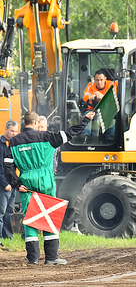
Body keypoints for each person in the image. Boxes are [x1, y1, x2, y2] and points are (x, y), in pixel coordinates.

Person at [9, 110, 94, 265]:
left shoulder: (14, 141)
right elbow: (71, 133)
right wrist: (86, 119)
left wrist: (17, 184)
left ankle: (33, 258)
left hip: (26, 182)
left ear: (24, 123)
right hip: (45, 180)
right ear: (36, 123)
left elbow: (7, 165)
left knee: (30, 220)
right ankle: (52, 257)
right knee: (48, 216)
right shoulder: (47, 136)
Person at [81, 70, 117, 142]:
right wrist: (91, 97)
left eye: (101, 80)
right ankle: (85, 136)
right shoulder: (90, 85)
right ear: (94, 79)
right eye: (97, 80)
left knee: (112, 118)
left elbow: (113, 97)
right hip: (92, 109)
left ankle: (110, 138)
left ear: (105, 79)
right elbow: (85, 96)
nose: (99, 82)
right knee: (87, 116)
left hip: (107, 110)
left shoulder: (111, 85)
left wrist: (102, 97)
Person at [0, 120, 18, 241]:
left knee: (9, 211)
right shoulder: (1, 144)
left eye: (16, 131)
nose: (14, 133)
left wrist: (14, 182)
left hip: (12, 184)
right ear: (6, 129)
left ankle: (8, 236)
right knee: (1, 212)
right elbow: (0, 167)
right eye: (12, 131)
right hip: (3, 184)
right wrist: (5, 183)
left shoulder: (14, 144)